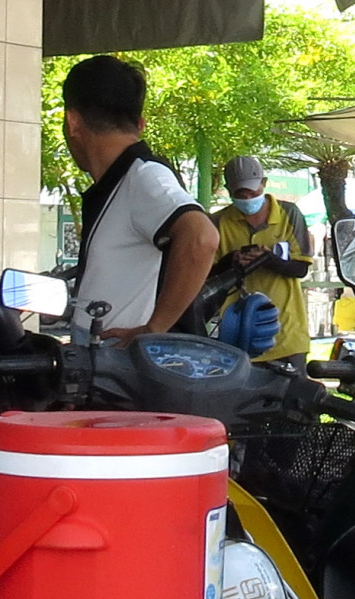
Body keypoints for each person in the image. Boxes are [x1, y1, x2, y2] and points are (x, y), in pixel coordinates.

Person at [60, 55, 217, 343]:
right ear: (140, 124)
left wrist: (154, 329)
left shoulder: (145, 176)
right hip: (106, 367)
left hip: (136, 374)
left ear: (72, 122)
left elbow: (201, 238)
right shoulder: (119, 182)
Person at [210, 155, 314, 371]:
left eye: (253, 192)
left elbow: (301, 268)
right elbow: (209, 276)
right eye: (241, 194)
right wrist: (232, 260)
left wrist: (269, 260)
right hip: (237, 335)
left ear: (264, 184)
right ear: (229, 190)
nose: (248, 198)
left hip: (286, 335)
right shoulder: (218, 222)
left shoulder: (289, 214)